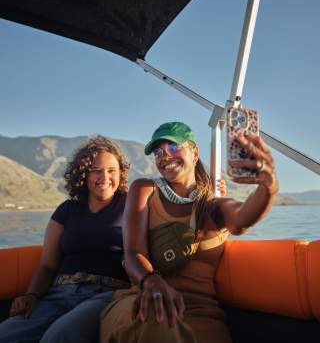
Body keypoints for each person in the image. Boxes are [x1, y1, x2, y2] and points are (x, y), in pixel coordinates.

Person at [100, 121, 278, 343]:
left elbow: (241, 218)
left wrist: (267, 188)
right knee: (155, 320)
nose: (164, 156)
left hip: (198, 313)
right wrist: (151, 282)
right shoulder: (145, 190)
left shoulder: (214, 205)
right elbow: (133, 252)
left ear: (194, 154)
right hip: (142, 299)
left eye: (174, 147)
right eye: (158, 152)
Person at [0, 136, 131, 343]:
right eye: (96, 170)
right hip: (59, 294)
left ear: (121, 173)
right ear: (84, 173)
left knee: (57, 338)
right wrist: (32, 295)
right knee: (6, 335)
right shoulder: (66, 210)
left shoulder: (132, 206)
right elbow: (47, 266)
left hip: (105, 294)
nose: (105, 177)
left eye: (112, 170)